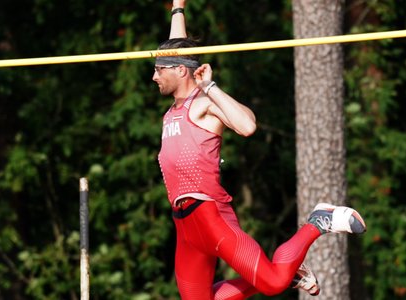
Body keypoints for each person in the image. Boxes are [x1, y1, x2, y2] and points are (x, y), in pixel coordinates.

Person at [154, 1, 367, 299]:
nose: (154, 77)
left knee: (273, 284)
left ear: (181, 71)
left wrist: (211, 85)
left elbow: (247, 126)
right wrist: (178, 7)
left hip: (209, 215)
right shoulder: (174, 105)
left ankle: (318, 222)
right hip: (185, 226)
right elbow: (177, 51)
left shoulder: (203, 104)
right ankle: (292, 273)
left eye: (159, 70)